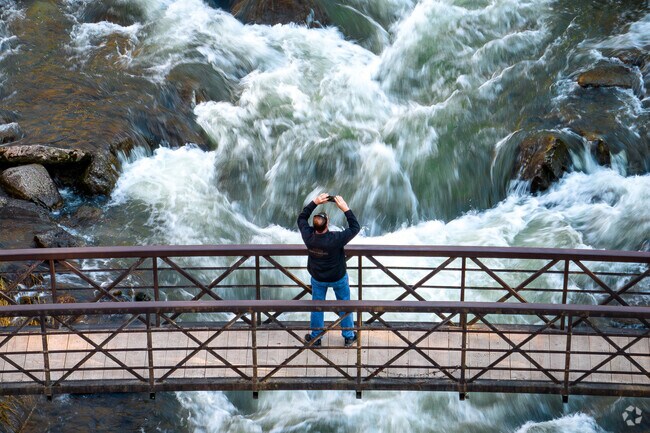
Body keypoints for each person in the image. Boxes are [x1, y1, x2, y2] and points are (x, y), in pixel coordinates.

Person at [297, 193, 361, 347]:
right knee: (344, 304)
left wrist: (315, 202)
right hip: (338, 277)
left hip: (318, 278)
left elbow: (301, 219)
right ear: (327, 225)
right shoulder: (336, 238)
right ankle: (348, 336)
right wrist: (345, 208)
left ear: (314, 226)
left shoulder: (308, 236)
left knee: (317, 306)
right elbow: (355, 227)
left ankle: (316, 337)